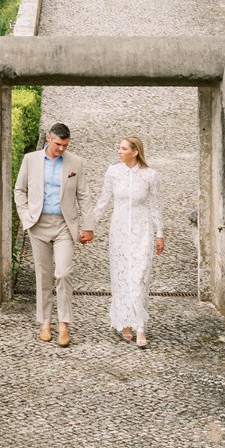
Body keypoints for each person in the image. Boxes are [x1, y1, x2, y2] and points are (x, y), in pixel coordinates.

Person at [13, 122, 94, 347]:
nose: (61, 149)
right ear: (49, 138)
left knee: (64, 272)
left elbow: (84, 195)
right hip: (38, 224)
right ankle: (45, 322)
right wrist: (25, 215)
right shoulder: (30, 159)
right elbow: (20, 190)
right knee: (43, 274)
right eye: (58, 144)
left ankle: (64, 324)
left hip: (64, 226)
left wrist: (88, 226)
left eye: (65, 145)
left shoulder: (76, 162)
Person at [92, 134, 165, 348]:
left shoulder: (151, 176)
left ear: (135, 152)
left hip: (142, 232)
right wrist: (89, 225)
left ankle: (140, 325)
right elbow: (103, 200)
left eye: (123, 148)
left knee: (140, 277)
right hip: (119, 232)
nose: (119, 151)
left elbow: (156, 206)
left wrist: (160, 233)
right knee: (122, 276)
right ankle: (124, 321)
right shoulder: (113, 172)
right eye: (119, 148)